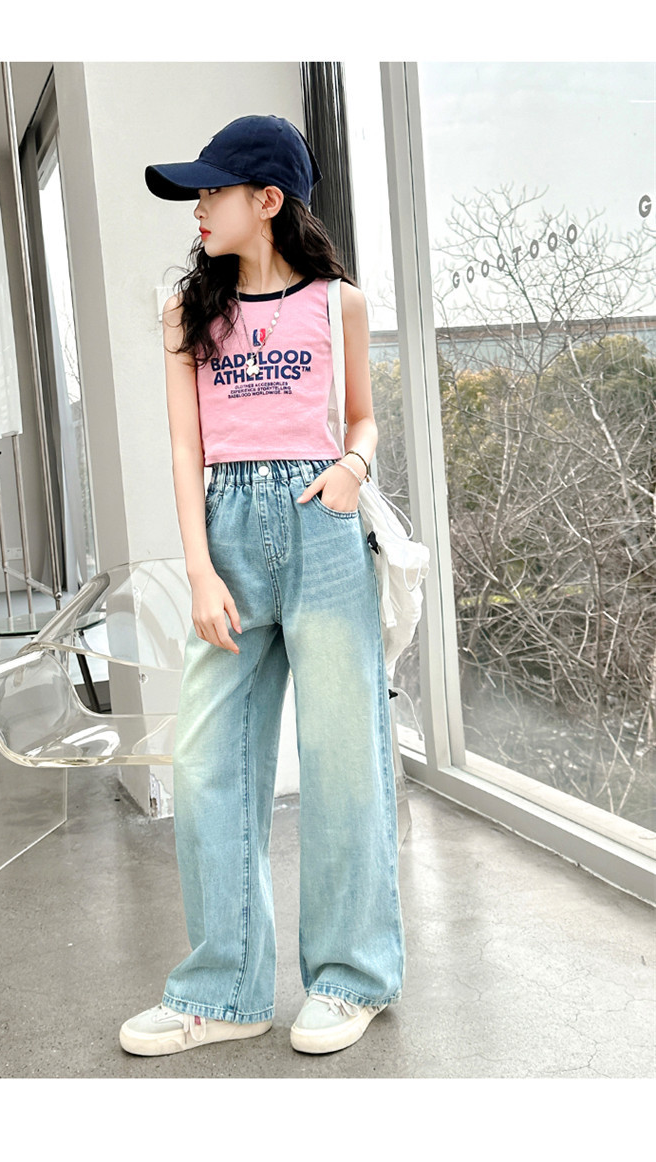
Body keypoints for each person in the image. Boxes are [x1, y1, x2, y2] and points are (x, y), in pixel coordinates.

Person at [119, 114, 405, 1058]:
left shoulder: (338, 303)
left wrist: (353, 470)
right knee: (209, 768)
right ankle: (224, 992)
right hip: (229, 535)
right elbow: (184, 450)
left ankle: (351, 978)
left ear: (268, 199)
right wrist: (200, 569)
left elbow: (361, 419)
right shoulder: (187, 311)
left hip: (323, 525)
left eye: (213, 190)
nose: (199, 207)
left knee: (343, 762)